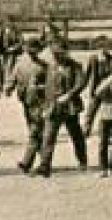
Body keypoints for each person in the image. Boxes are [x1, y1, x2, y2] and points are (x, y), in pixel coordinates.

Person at [38, 44, 89, 176]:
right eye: (55, 54)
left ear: (66, 53)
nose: (57, 56)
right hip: (53, 107)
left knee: (76, 136)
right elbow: (43, 84)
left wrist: (70, 94)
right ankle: (45, 165)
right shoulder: (49, 66)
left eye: (60, 53)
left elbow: (81, 83)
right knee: (48, 136)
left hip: (70, 107)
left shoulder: (75, 66)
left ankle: (82, 161)